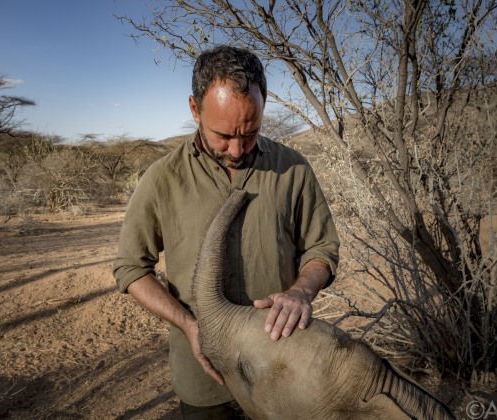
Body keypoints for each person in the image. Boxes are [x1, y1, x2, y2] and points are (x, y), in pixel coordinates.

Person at [113, 45, 339, 419]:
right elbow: (131, 269)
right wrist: (188, 325)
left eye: (250, 132)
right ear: (194, 109)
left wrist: (301, 291)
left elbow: (321, 247)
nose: (236, 149)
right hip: (204, 377)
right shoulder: (161, 179)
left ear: (264, 105)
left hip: (282, 367)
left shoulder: (294, 168)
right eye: (223, 135)